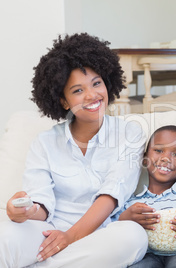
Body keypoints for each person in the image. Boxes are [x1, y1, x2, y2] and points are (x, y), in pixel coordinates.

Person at [0, 33, 148, 267]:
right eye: (78, 90)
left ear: (107, 83)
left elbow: (111, 196)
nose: (92, 95)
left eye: (97, 83)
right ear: (64, 101)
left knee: (133, 236)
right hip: (47, 233)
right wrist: (26, 211)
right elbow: (41, 204)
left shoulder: (130, 134)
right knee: (5, 235)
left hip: (101, 236)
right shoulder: (45, 142)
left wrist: (69, 239)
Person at [116, 125, 176, 268]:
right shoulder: (131, 203)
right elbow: (116, 241)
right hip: (145, 255)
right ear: (144, 158)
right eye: (158, 150)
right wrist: (124, 219)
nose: (166, 158)